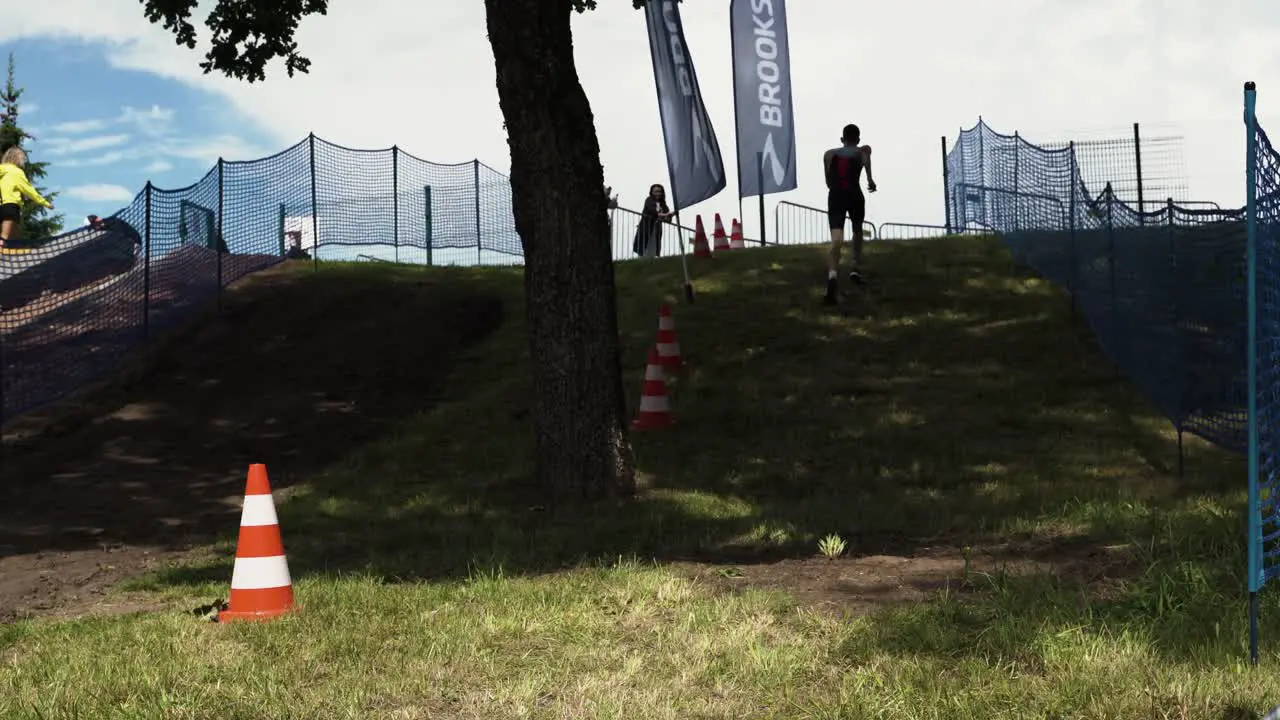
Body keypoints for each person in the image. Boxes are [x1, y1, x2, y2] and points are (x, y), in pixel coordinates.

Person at [822, 124, 876, 305]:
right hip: (854, 193)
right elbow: (869, 176)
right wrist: (870, 181)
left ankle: (832, 276)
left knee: (836, 238)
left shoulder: (829, 154)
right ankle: (854, 267)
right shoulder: (862, 152)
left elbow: (828, 181)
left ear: (841, 139)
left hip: (836, 195)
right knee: (857, 230)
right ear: (858, 139)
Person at [0, 146, 54, 248]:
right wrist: (46, 203)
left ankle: (15, 259)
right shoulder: (16, 172)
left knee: (15, 240)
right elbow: (29, 190)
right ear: (16, 158)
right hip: (11, 206)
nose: (23, 161)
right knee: (4, 239)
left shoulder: (2, 170)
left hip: (1, 207)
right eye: (22, 158)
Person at [633, 183, 673, 258]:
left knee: (654, 250)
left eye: (659, 191)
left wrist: (670, 216)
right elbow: (653, 211)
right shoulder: (649, 200)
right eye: (656, 191)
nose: (658, 194)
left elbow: (667, 217)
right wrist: (665, 215)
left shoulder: (662, 204)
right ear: (651, 192)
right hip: (646, 228)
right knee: (643, 249)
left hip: (656, 229)